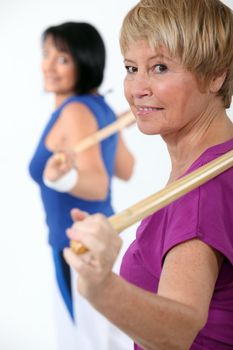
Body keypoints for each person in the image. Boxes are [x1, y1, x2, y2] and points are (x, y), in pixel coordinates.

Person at [63, 1, 233, 349]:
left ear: (216, 74)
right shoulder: (207, 167)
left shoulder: (202, 191)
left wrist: (101, 286)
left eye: (159, 67)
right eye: (131, 68)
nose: (138, 88)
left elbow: (178, 330)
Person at [28, 22, 134, 350]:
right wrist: (110, 130)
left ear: (85, 61)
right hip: (98, 236)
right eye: (46, 54)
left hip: (79, 245)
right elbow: (126, 169)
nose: (48, 65)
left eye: (62, 59)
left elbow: (99, 184)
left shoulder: (75, 111)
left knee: (86, 342)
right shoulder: (97, 106)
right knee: (105, 337)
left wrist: (63, 178)